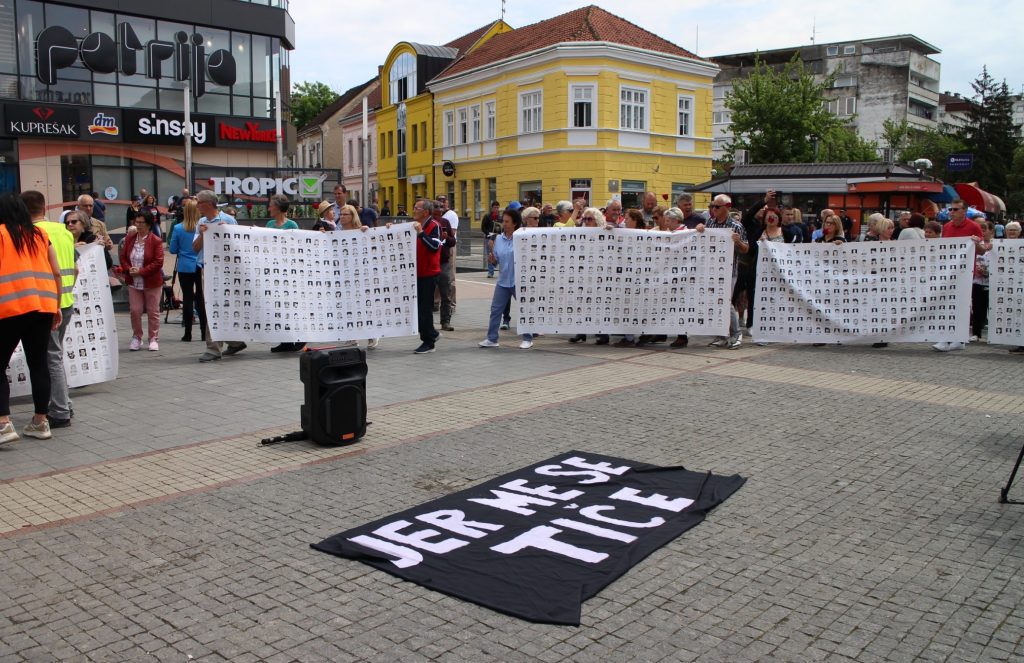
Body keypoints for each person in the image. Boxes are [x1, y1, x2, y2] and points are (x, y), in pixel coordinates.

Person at [0, 193, 63, 443]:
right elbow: (56, 272)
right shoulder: (39, 235)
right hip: (43, 307)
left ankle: (3, 424)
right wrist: (56, 306)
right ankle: (40, 421)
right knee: (39, 364)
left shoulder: (1, 234)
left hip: (9, 308)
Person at [21, 190, 77, 429]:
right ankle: (64, 403)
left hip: (47, 303)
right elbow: (75, 268)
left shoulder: (31, 234)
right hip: (66, 300)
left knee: (50, 358)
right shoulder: (63, 230)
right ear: (44, 208)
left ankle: (60, 411)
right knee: (56, 355)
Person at [193, 190, 245, 362]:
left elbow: (239, 245)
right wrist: (202, 234)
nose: (197, 205)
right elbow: (195, 248)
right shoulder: (201, 222)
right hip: (207, 270)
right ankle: (233, 342)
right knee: (212, 306)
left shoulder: (228, 219)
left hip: (226, 271)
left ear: (208, 204)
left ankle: (215, 348)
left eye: (199, 202)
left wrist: (226, 232)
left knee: (222, 306)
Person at [697, 194, 749, 349]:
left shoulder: (736, 226)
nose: (713, 209)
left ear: (727, 207)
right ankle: (722, 335)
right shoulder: (710, 222)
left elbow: (746, 249)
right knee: (715, 301)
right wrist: (700, 229)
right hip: (712, 269)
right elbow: (703, 238)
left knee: (725, 301)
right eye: (712, 206)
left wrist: (738, 241)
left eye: (716, 207)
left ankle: (736, 333)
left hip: (729, 270)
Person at [479, 207, 534, 350]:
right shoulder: (498, 239)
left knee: (524, 309)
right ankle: (492, 339)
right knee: (495, 310)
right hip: (503, 281)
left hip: (519, 281)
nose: (504, 224)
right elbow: (496, 261)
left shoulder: (522, 238)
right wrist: (492, 259)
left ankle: (527, 338)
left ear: (515, 223)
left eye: (507, 221)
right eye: (503, 221)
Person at [119, 213, 164, 351]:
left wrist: (141, 271)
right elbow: (123, 257)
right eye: (136, 222)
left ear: (149, 225)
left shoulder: (156, 240)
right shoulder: (130, 238)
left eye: (141, 222)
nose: (138, 225)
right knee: (135, 310)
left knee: (153, 311)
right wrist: (128, 269)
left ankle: (153, 338)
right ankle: (137, 337)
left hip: (151, 281)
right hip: (134, 281)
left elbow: (158, 262)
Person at [169, 199, 205, 342]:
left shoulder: (178, 228)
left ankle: (188, 333)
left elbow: (172, 249)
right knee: (201, 298)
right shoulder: (202, 228)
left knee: (188, 297)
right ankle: (204, 332)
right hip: (200, 264)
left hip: (184, 265)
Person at [411, 198, 442, 354]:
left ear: (425, 212)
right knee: (418, 309)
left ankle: (429, 342)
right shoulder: (414, 225)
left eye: (417, 208)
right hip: (415, 273)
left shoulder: (434, 226)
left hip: (428, 274)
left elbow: (435, 246)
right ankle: (432, 334)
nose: (414, 210)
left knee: (424, 309)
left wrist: (421, 234)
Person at [432, 203, 457, 332]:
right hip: (430, 263)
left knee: (446, 293)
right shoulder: (426, 224)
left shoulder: (445, 222)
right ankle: (427, 323)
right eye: (435, 214)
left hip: (443, 262)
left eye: (440, 214)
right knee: (428, 294)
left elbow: (453, 241)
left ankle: (445, 321)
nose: (438, 217)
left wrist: (447, 238)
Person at [969, 220, 994, 344]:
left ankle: (995, 335)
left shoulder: (997, 244)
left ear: (991, 231)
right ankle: (976, 333)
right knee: (977, 307)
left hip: (994, 282)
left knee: (993, 308)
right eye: (980, 230)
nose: (982, 233)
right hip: (977, 281)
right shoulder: (975, 244)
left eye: (984, 230)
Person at [481, 201, 501, 277]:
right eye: (495, 207)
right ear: (492, 208)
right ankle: (490, 272)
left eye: (497, 208)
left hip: (498, 238)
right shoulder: (487, 216)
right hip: (489, 238)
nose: (496, 209)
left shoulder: (500, 217)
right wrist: (488, 233)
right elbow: (483, 228)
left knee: (498, 254)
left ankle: (500, 270)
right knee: (490, 254)